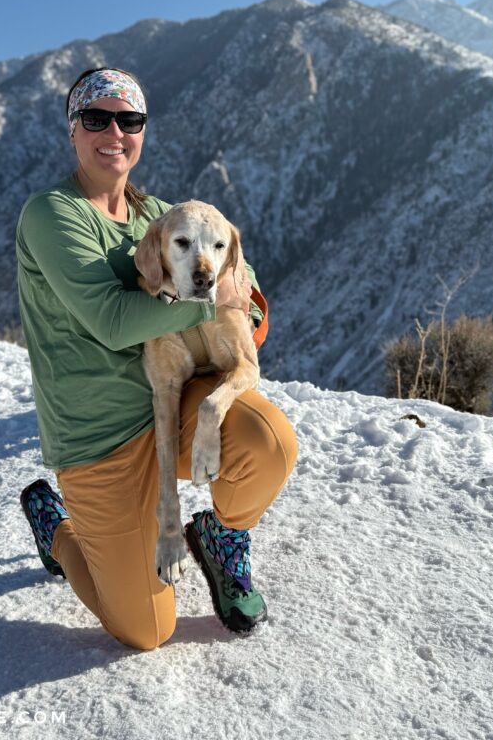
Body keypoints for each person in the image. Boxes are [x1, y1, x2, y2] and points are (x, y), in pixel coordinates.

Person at [16, 66, 297, 650]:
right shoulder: (52, 214)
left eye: (130, 120)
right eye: (97, 118)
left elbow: (233, 276)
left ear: (143, 131)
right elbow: (115, 323)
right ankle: (58, 530)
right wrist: (210, 303)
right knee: (146, 631)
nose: (114, 132)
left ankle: (219, 536)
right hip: (99, 434)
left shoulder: (160, 214)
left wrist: (244, 305)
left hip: (175, 402)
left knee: (268, 441)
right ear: (73, 129)